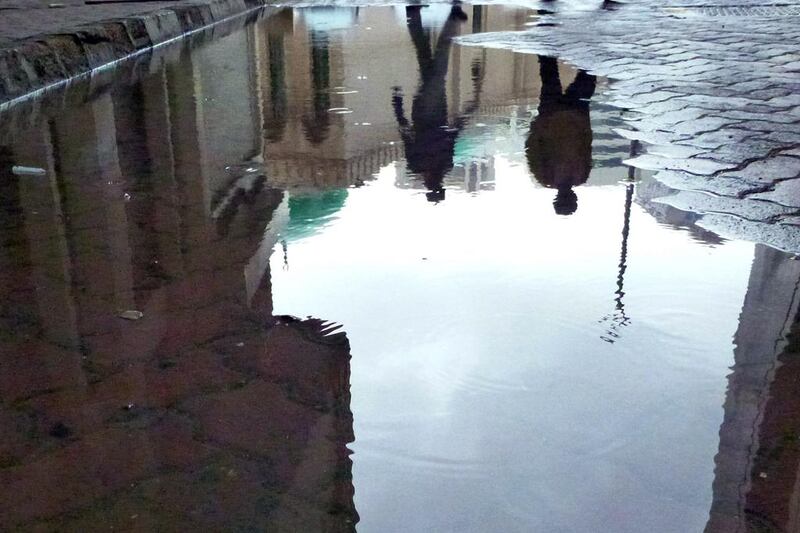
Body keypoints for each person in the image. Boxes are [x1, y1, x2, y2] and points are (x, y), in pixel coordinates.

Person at [392, 3, 481, 202]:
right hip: (435, 108)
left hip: (426, 110)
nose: (431, 182)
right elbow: (451, 135)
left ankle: (451, 17)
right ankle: (415, 16)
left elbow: (408, 134)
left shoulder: (418, 164)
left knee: (439, 62)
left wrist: (397, 106)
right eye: (434, 186)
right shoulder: (441, 164)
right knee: (425, 56)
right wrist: (398, 106)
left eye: (432, 186)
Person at [526, 56, 596, 215]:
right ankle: (587, 45)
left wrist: (538, 125)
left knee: (550, 73)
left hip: (553, 115)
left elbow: (533, 150)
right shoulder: (580, 177)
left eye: (564, 200)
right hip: (574, 115)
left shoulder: (546, 177)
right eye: (569, 200)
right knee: (587, 75)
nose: (568, 197)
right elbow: (586, 147)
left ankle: (547, 38)